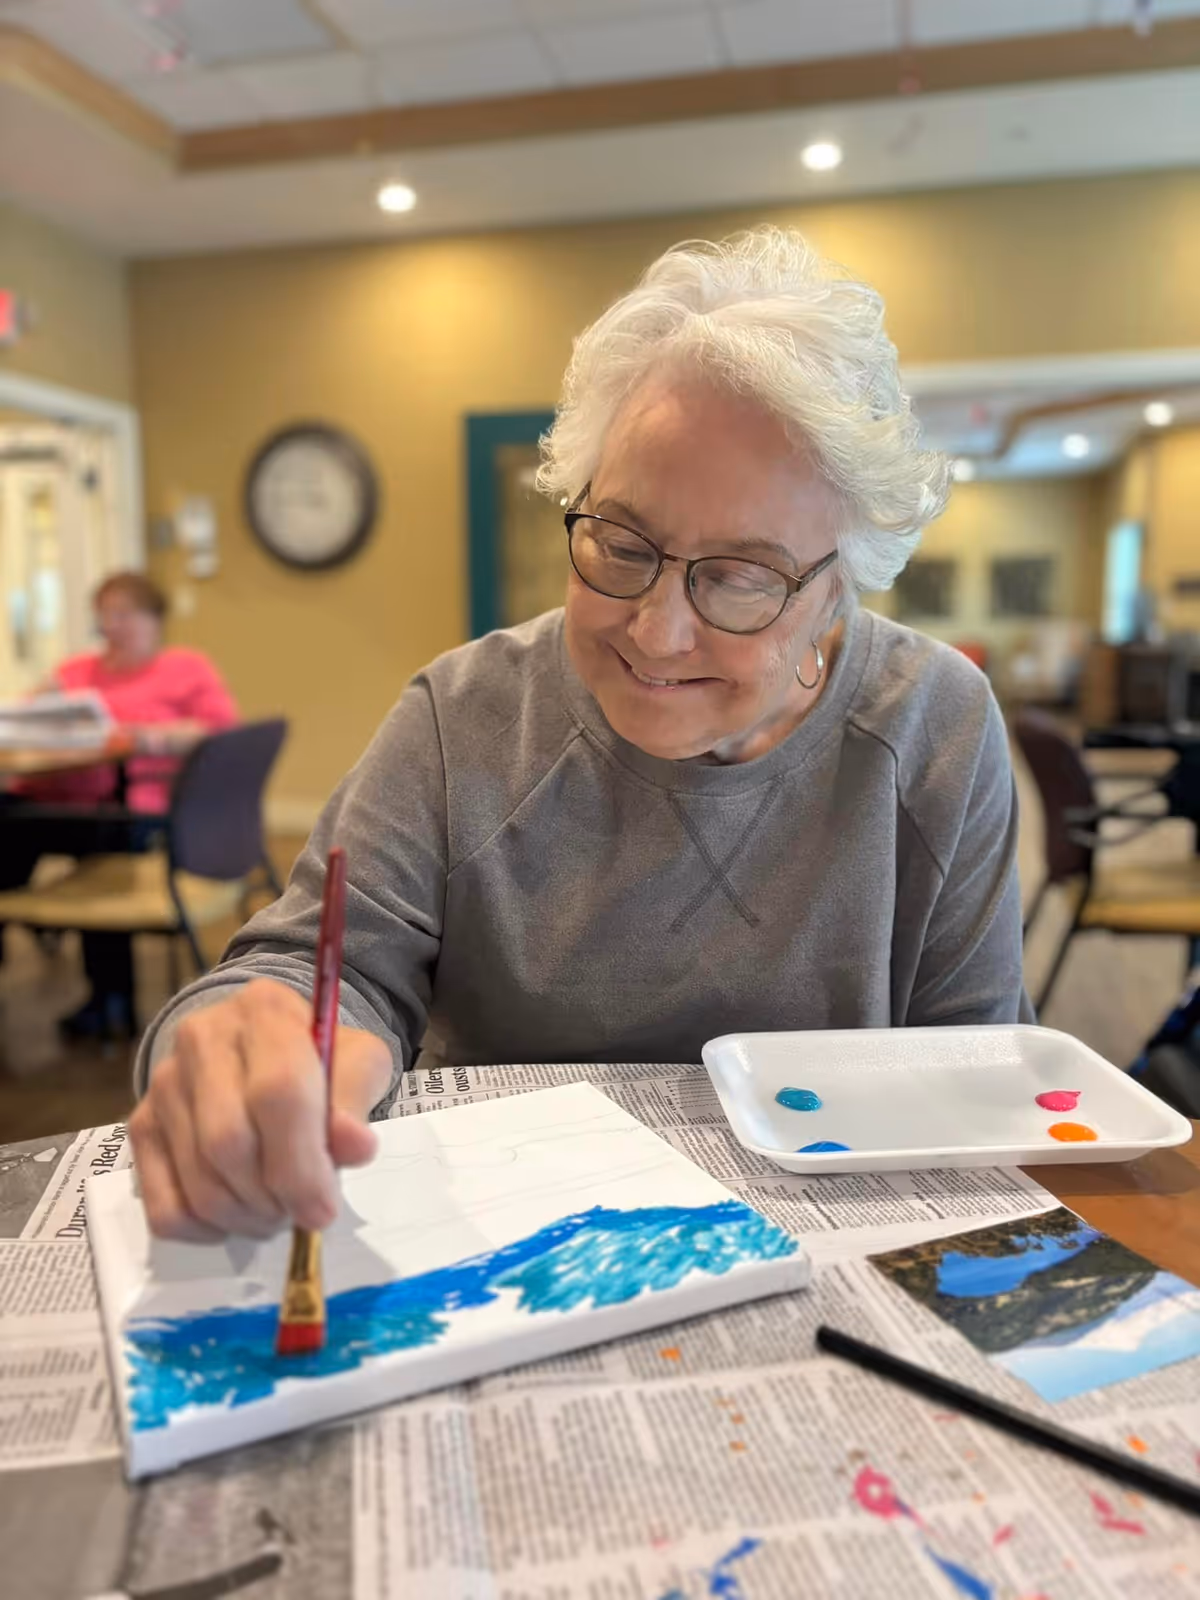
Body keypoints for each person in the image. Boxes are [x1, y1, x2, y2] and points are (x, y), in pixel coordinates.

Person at [130, 228, 1032, 1242]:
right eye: (625, 541)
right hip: (512, 1245)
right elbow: (317, 970)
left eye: (739, 575)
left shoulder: (935, 727)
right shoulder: (461, 716)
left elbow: (976, 1069)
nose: (656, 630)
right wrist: (258, 1042)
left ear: (838, 590)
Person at [0, 570, 238, 1037]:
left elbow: (223, 733)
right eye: (105, 615)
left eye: (124, 613)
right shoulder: (77, 672)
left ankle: (109, 995)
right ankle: (25, 917)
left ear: (155, 620)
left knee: (102, 839)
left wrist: (160, 736)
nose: (113, 625)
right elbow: (21, 717)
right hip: (52, 798)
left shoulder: (186, 669)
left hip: (132, 805)